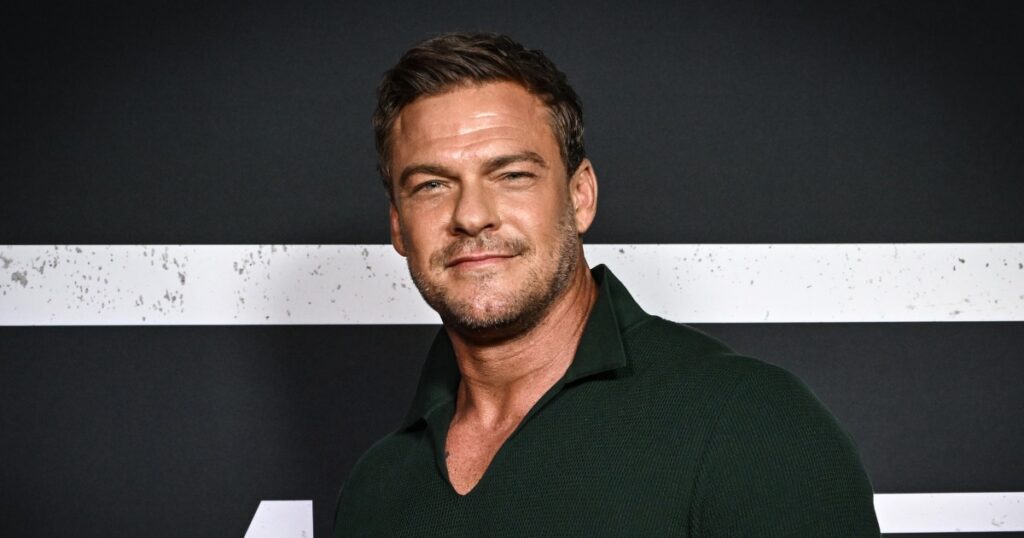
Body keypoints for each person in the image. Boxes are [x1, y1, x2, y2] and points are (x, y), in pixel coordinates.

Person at [334, 32, 879, 536]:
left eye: (512, 175)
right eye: (432, 185)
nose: (472, 215)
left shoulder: (749, 423)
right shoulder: (375, 487)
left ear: (581, 196)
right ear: (399, 226)